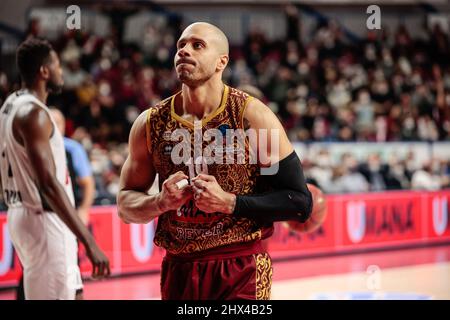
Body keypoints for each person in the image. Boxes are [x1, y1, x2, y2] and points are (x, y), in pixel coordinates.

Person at [117, 22, 312, 300]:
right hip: (179, 268)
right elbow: (125, 205)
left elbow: (298, 203)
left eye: (197, 45)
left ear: (222, 62)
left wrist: (231, 202)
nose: (184, 50)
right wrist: (160, 202)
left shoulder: (252, 117)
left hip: (240, 267)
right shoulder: (150, 123)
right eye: (180, 45)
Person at [0, 38, 110, 300]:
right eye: (58, 65)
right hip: (44, 218)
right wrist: (89, 241)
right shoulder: (34, 114)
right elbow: (48, 184)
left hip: (23, 212)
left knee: (71, 292)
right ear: (44, 71)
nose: (61, 72)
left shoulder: (10, 105)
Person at [49, 108, 95, 226]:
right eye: (51, 123)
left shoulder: (73, 149)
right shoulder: (37, 149)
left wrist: (84, 210)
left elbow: (88, 182)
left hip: (70, 210)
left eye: (58, 123)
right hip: (46, 212)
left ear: (64, 126)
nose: (54, 127)